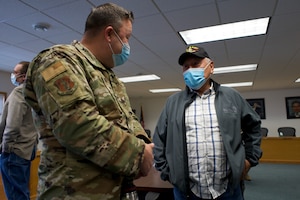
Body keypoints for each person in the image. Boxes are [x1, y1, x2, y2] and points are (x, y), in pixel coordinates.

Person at [23, 3, 154, 200]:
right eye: (126, 37)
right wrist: (138, 155)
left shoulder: (109, 77)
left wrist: (145, 145)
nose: (127, 44)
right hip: (73, 192)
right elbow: (78, 125)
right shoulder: (58, 60)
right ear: (109, 34)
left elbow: (129, 120)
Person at [153, 46, 262, 200]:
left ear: (211, 67)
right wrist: (167, 172)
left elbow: (253, 127)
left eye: (196, 64)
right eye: (186, 66)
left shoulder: (231, 96)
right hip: (187, 191)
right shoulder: (173, 102)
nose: (190, 70)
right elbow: (159, 140)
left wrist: (250, 159)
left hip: (228, 189)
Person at [0, 61, 38, 200]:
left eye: (15, 72)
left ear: (23, 77)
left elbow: (13, 124)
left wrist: (5, 147)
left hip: (14, 150)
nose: (13, 75)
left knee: (16, 195)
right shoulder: (35, 92)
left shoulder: (19, 91)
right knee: (22, 191)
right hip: (27, 149)